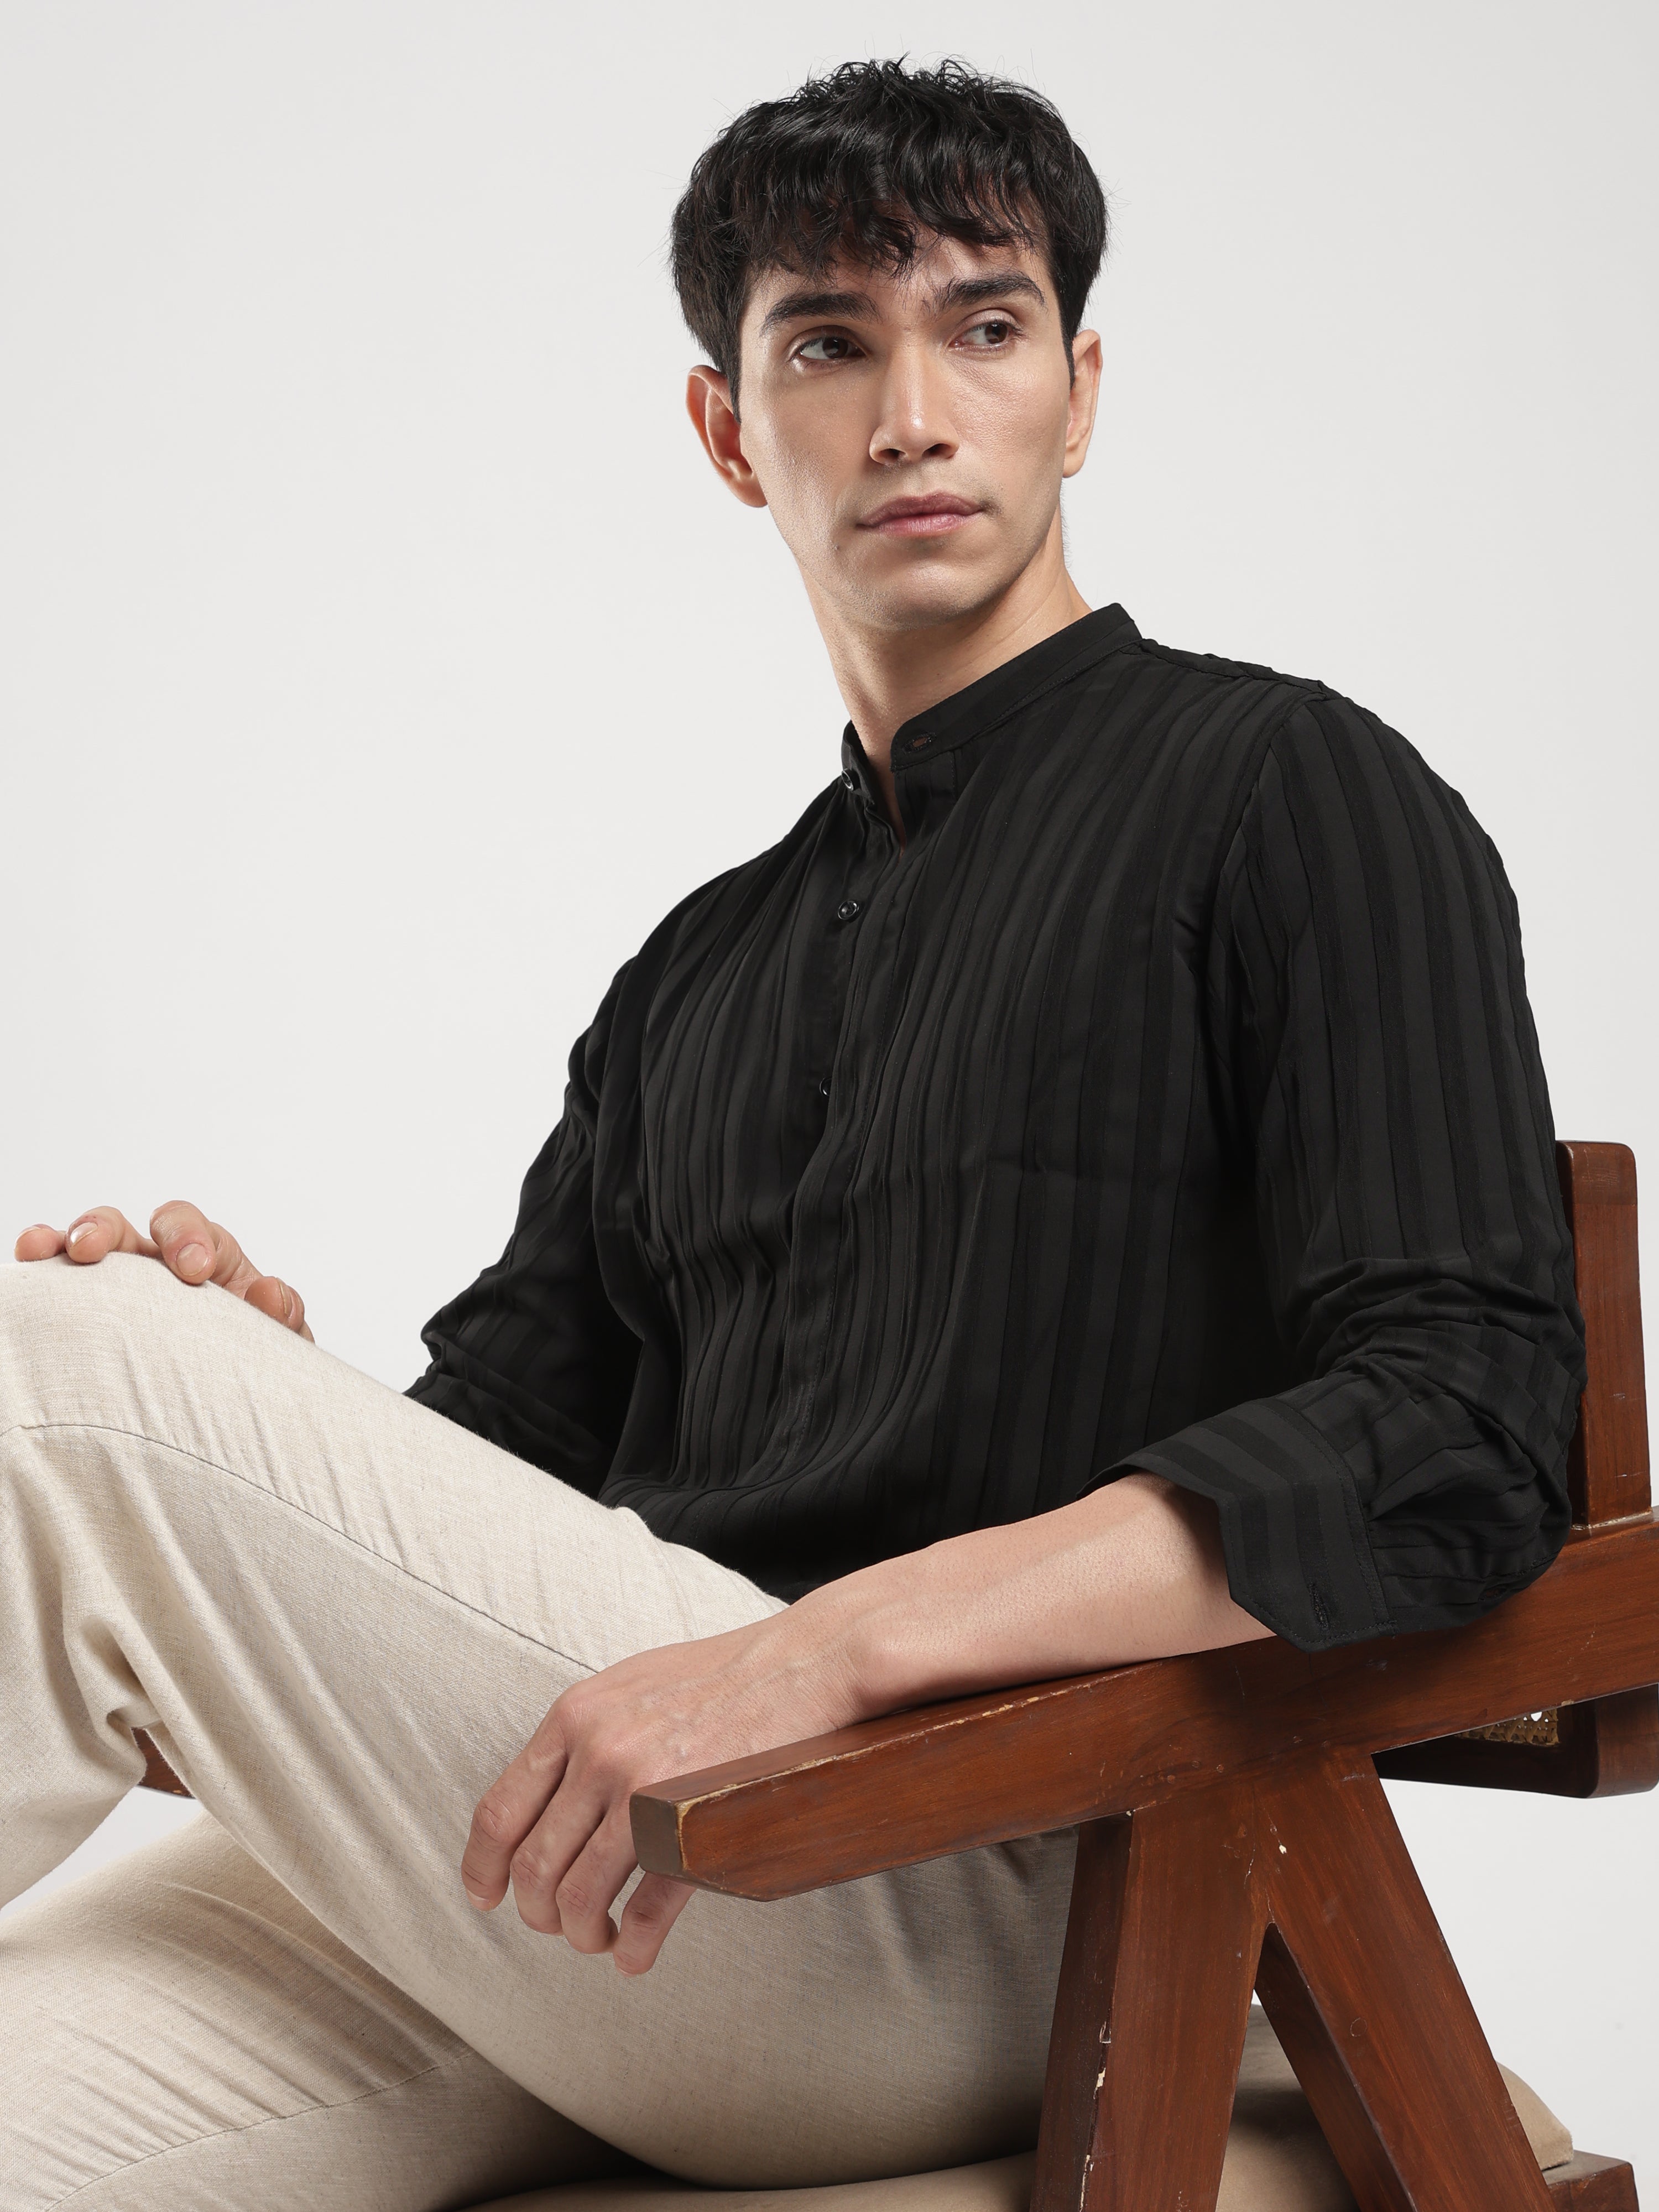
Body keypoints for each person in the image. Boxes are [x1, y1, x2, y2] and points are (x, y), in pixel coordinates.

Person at [0, 56, 1584, 2212]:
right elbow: (490, 1477)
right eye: (831, 343)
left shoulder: (1292, 795)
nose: (913, 411)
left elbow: (1463, 1418)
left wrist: (825, 1645)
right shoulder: (696, 975)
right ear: (731, 431)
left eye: (984, 326)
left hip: (1013, 1857)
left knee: (66, 1389)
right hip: (612, 1865)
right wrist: (248, 1410)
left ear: (1079, 392)